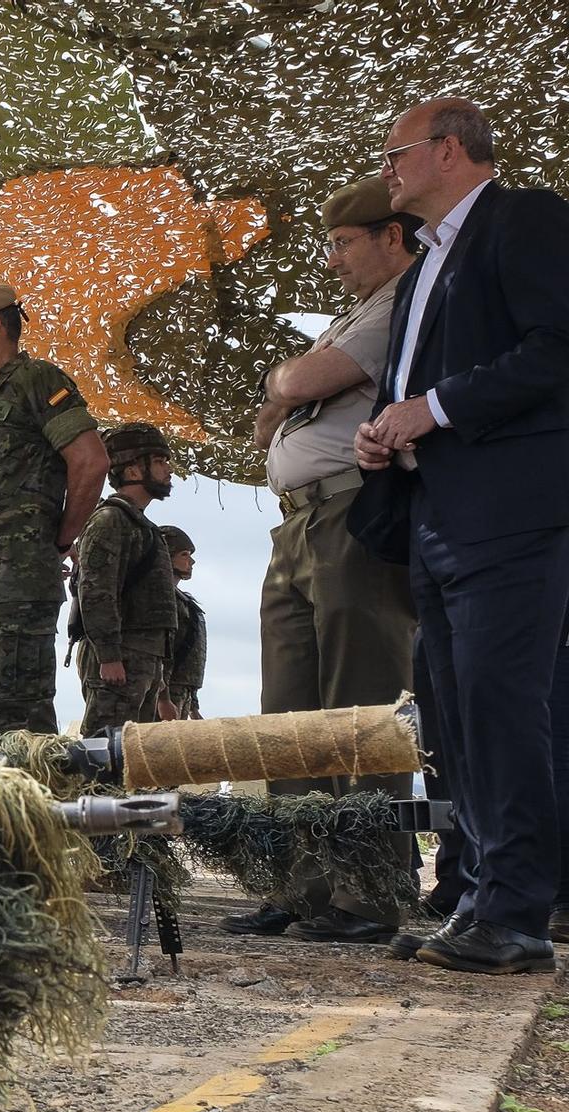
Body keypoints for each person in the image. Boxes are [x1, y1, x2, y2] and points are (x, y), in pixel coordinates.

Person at [356, 98, 569, 974]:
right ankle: (479, 899)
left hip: (511, 510)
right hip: (435, 515)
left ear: (448, 151)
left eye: (396, 152)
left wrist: (431, 410)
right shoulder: (420, 273)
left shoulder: (527, 220)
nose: (386, 169)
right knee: (453, 714)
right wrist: (381, 430)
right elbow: (404, 386)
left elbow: (556, 346)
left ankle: (519, 915)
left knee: (502, 704)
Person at [225, 176, 423, 943]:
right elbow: (261, 425)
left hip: (351, 514)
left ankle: (370, 892)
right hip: (298, 522)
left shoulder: (404, 304)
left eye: (344, 244)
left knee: (360, 706)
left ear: (391, 237)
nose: (333, 260)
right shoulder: (354, 314)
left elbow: (296, 386)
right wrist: (287, 392)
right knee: (291, 712)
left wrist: (288, 382)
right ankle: (301, 887)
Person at [0, 283, 108, 741]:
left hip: (12, 591)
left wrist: (61, 540)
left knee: (14, 735)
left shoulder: (37, 382)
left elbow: (90, 461)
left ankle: (34, 815)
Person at [70, 425, 178, 734]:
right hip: (121, 659)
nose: (167, 469)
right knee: (105, 753)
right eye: (158, 461)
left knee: (134, 759)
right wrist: (109, 655)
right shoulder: (110, 520)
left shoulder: (140, 524)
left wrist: (160, 680)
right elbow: (95, 589)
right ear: (132, 469)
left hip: (143, 659)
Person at [161, 525, 207, 721]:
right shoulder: (159, 598)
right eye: (184, 554)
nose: (191, 561)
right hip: (164, 692)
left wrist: (193, 705)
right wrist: (161, 698)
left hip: (181, 692)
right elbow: (161, 651)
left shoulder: (183, 601)